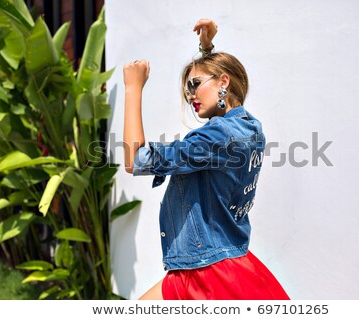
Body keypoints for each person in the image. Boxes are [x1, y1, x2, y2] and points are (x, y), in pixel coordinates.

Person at [123, 18, 290, 300]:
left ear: (224, 82)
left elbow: (136, 159)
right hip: (231, 260)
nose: (191, 96)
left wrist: (133, 88)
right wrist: (207, 49)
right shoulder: (251, 128)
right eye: (188, 90)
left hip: (204, 273)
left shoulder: (216, 137)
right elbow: (219, 83)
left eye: (195, 85)